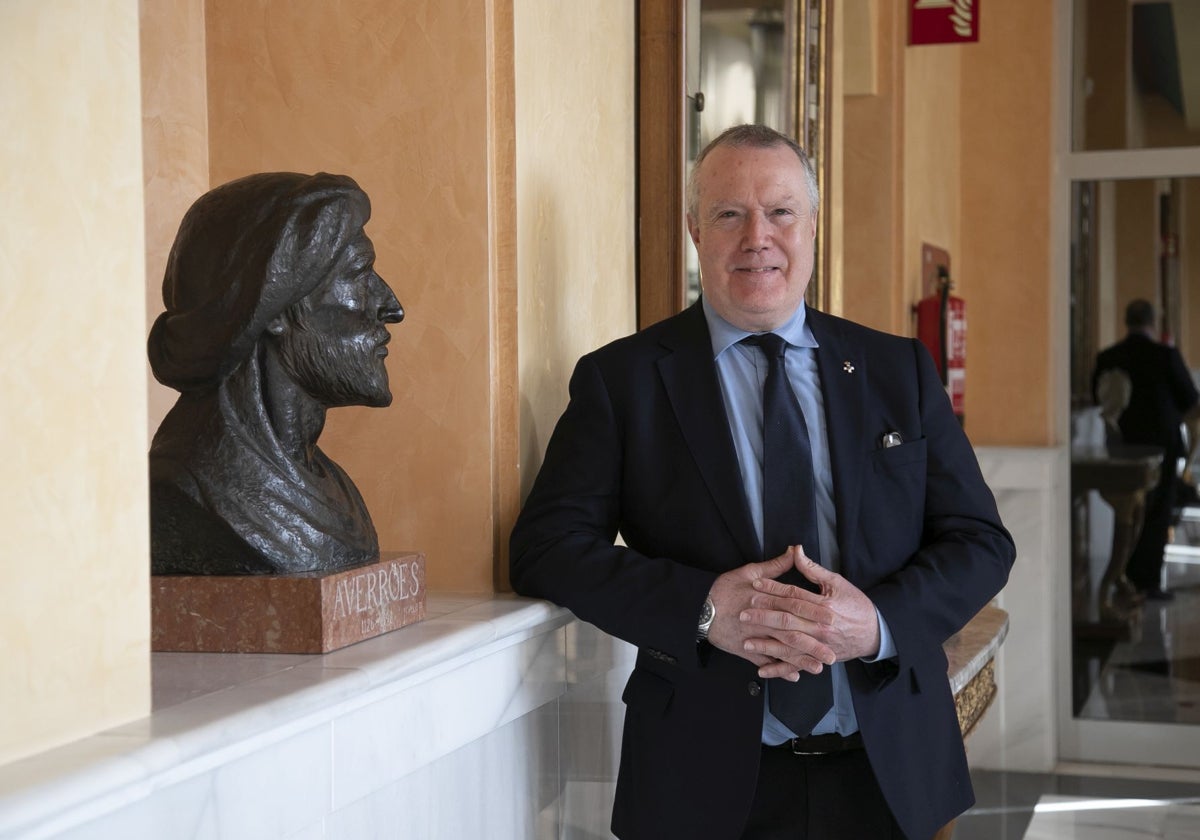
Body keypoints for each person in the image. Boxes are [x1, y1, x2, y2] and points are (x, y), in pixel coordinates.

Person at [509, 124, 1015, 840]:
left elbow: (981, 543)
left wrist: (875, 624)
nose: (758, 238)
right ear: (694, 229)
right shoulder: (623, 382)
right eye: (728, 214)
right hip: (700, 780)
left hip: (888, 772)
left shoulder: (896, 371)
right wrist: (705, 609)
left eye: (780, 212)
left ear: (811, 226)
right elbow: (546, 547)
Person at [148, 172, 404, 576]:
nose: (391, 306)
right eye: (359, 274)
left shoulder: (333, 491)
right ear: (274, 307)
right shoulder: (188, 491)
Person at [1092, 298, 1200, 601]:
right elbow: (1190, 399)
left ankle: (1121, 576)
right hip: (1161, 447)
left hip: (1121, 448)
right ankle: (1146, 582)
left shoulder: (1109, 356)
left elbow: (1097, 396)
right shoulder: (1165, 356)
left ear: (1127, 321)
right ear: (1152, 323)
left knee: (1125, 515)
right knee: (1156, 515)